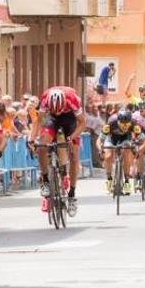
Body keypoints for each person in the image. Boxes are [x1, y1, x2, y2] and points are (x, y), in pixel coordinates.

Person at [29, 86, 85, 215]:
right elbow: (39, 121)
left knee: (75, 158)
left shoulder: (72, 99)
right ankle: (46, 181)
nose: (58, 112)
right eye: (56, 110)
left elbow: (82, 123)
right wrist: (32, 139)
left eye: (59, 110)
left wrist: (72, 137)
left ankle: (72, 194)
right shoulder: (45, 99)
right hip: (52, 119)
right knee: (42, 145)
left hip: (70, 119)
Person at [99, 109, 145, 195]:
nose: (125, 127)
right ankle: (109, 179)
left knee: (126, 152)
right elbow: (100, 140)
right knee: (108, 156)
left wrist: (138, 148)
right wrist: (100, 149)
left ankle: (127, 182)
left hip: (126, 138)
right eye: (122, 124)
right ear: (118, 121)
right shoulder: (111, 123)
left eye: (127, 125)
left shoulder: (134, 124)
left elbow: (143, 140)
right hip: (111, 138)